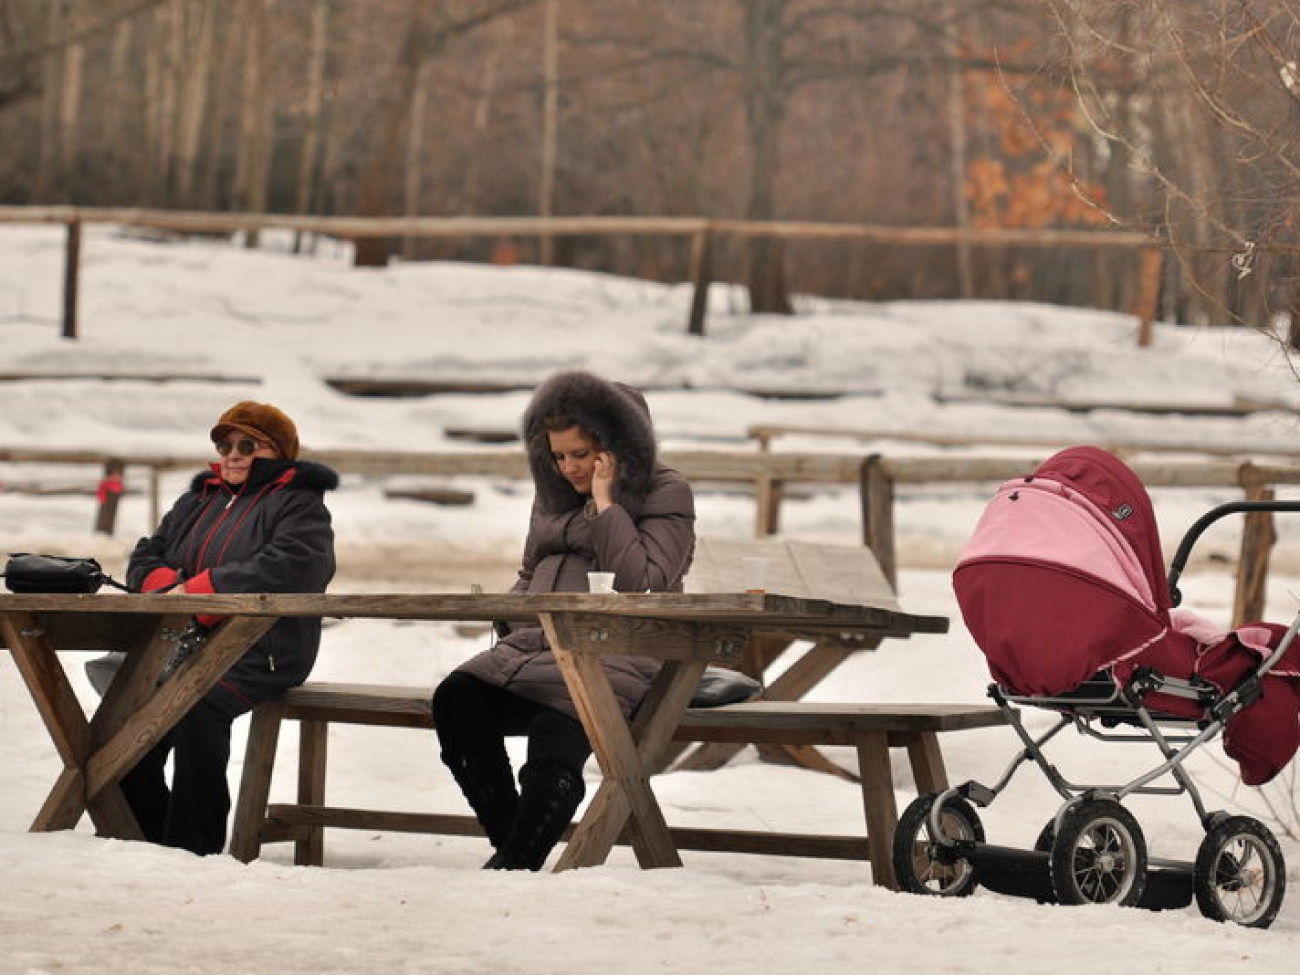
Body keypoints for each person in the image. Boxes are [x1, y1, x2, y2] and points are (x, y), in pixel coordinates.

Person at [433, 370, 696, 870]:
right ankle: (516, 850)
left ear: (618, 447)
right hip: (533, 646)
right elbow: (532, 571)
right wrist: (509, 616)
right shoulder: (551, 495)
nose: (568, 468)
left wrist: (606, 503)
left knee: (559, 726)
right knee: (456, 699)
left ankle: (515, 863)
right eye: (558, 456)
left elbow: (645, 585)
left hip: (614, 652)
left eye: (581, 454)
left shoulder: (667, 492)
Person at [120, 400, 337, 855]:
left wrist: (200, 593)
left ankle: (192, 848)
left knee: (195, 707)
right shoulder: (199, 499)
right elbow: (145, 555)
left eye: (247, 444)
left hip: (265, 648)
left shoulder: (298, 503)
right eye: (224, 445)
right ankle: (143, 838)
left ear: (277, 451)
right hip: (182, 643)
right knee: (123, 713)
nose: (232, 454)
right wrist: (167, 590)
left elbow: (297, 566)